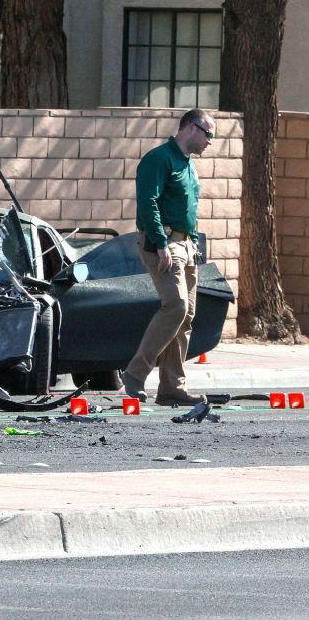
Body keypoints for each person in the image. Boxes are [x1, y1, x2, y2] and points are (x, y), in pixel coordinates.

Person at [121, 108, 216, 405]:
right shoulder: (158, 158)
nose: (210, 142)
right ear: (190, 127)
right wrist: (161, 243)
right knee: (175, 306)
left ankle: (172, 386)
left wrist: (193, 244)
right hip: (164, 243)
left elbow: (188, 208)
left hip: (187, 245)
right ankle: (135, 373)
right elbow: (147, 202)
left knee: (185, 316)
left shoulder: (188, 164)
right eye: (208, 134)